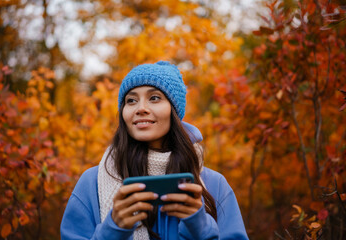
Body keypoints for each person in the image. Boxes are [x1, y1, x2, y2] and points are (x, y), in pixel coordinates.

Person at [60, 61, 248, 240]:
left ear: (173, 111)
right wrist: (113, 229)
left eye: (154, 98)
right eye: (131, 100)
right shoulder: (91, 183)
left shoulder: (214, 184)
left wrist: (200, 227)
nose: (141, 108)